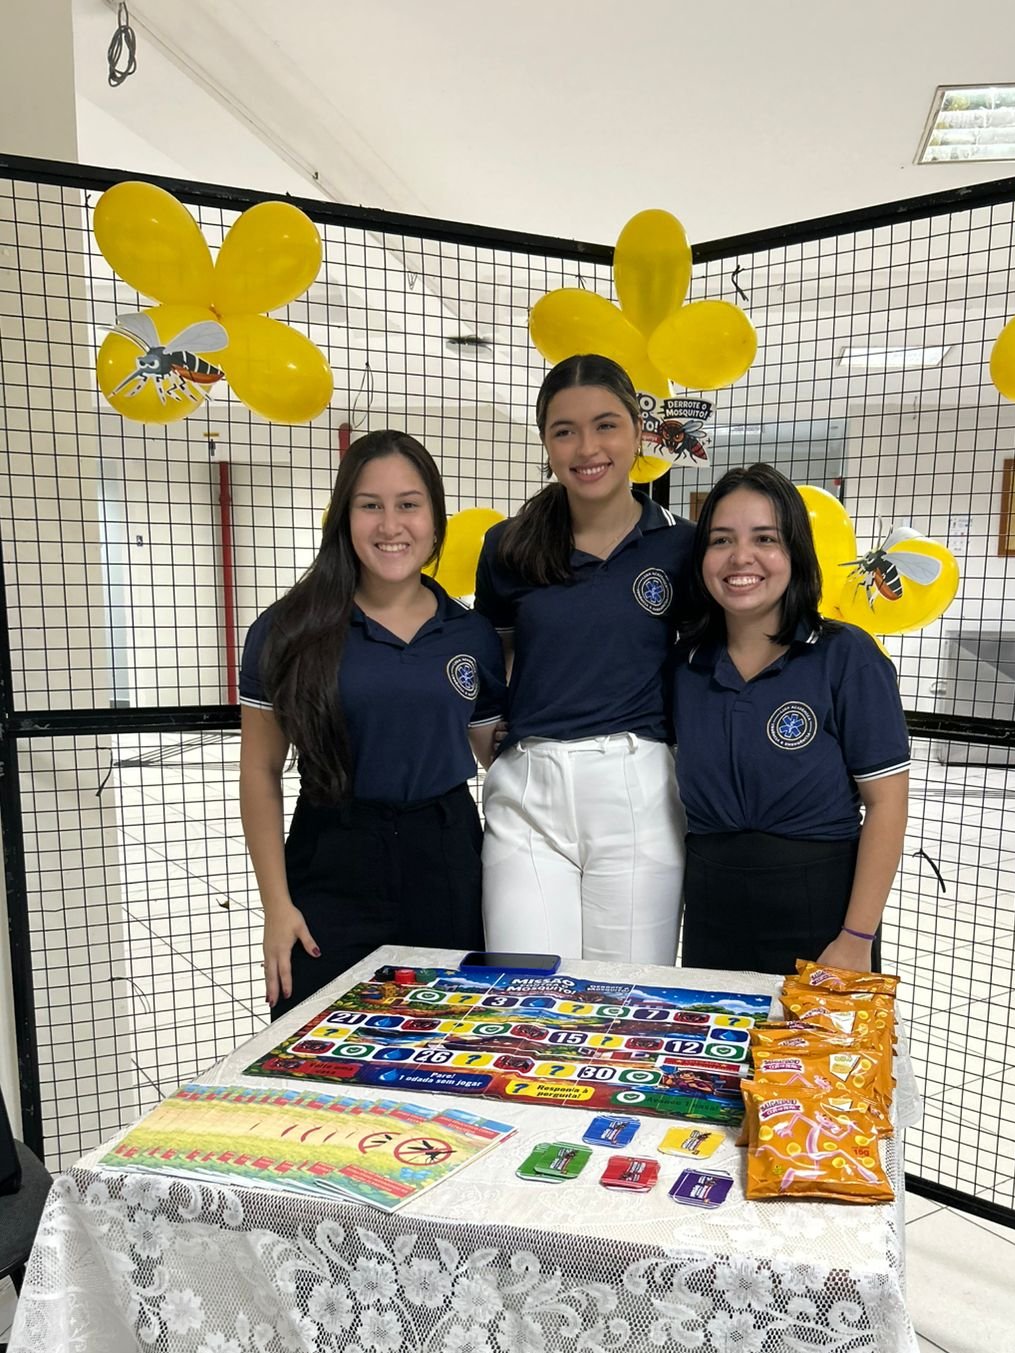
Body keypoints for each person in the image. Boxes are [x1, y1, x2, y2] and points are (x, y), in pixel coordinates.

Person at [239, 430, 505, 1016]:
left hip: (446, 859)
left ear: (435, 519)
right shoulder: (287, 630)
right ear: (344, 516)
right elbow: (259, 771)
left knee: (447, 1038)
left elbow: (498, 754)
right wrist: (277, 906)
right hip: (333, 856)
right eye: (370, 505)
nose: (391, 525)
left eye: (408, 504)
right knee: (319, 1044)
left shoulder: (470, 635)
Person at [473, 354, 693, 963]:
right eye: (564, 430)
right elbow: (492, 654)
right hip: (528, 789)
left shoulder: (682, 545)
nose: (587, 448)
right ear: (546, 443)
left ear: (638, 432)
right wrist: (484, 727)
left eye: (605, 425)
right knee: (523, 988)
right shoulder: (509, 545)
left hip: (637, 788)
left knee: (627, 995)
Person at [671, 462, 909, 976]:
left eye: (765, 538)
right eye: (721, 540)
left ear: (795, 551)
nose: (741, 557)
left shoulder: (845, 657)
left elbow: (887, 804)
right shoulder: (685, 666)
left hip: (821, 911)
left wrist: (856, 937)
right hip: (712, 910)